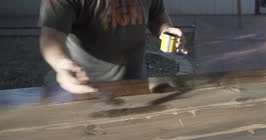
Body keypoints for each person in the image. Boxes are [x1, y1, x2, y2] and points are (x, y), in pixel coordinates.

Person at [38, 0, 186, 94]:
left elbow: (156, 15)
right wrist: (61, 63)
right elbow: (51, 35)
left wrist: (165, 29)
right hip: (87, 88)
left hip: (137, 84)